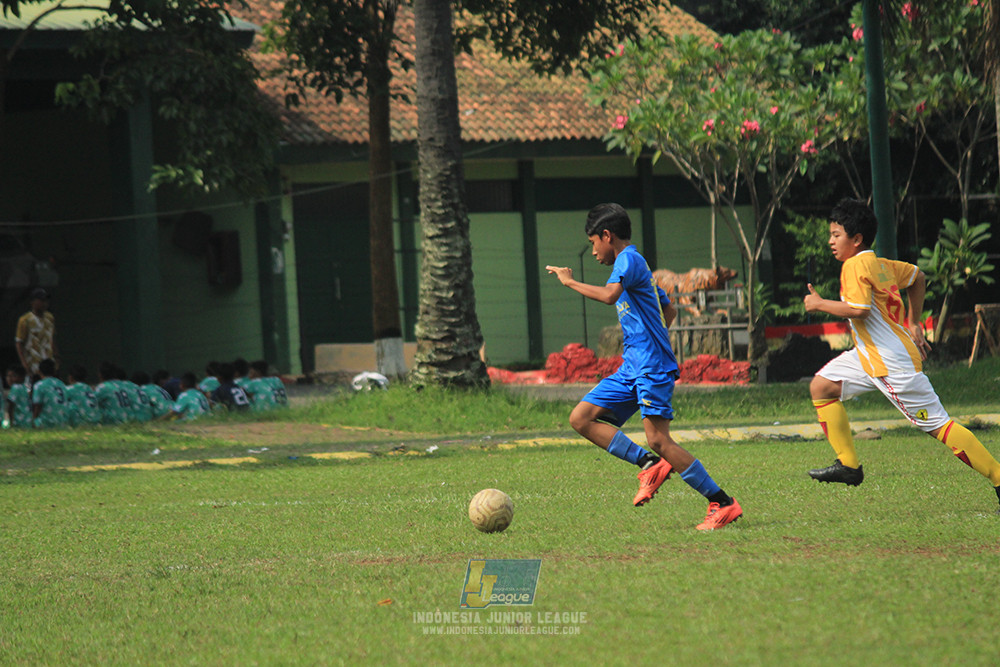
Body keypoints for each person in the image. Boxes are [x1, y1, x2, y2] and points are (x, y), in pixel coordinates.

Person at [545, 203, 743, 530]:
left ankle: (722, 502)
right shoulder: (638, 268)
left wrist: (569, 283)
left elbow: (610, 296)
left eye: (594, 242)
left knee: (660, 439)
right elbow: (669, 311)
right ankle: (649, 465)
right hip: (632, 366)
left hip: (650, 366)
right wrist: (648, 335)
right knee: (581, 417)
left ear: (607, 236)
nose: (593, 251)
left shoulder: (629, 260)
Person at [803, 198, 1000, 510]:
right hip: (870, 354)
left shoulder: (854, 265)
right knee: (821, 387)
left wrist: (819, 304)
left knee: (940, 427)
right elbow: (918, 277)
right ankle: (849, 467)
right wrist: (913, 322)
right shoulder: (879, 264)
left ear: (856, 239)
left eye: (836, 234)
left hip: (889, 363)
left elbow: (859, 309)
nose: (830, 241)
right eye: (831, 234)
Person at [15, 287, 58, 381]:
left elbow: (52, 337)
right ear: (32, 302)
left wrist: (56, 355)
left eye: (46, 300)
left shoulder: (50, 317)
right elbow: (19, 343)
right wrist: (24, 363)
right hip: (33, 363)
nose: (45, 303)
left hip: (48, 362)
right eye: (41, 300)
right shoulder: (25, 320)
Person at [31, 358, 68, 428]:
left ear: (39, 371)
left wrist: (34, 421)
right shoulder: (61, 384)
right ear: (54, 371)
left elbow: (37, 405)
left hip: (47, 422)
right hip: (62, 422)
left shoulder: (39, 385)